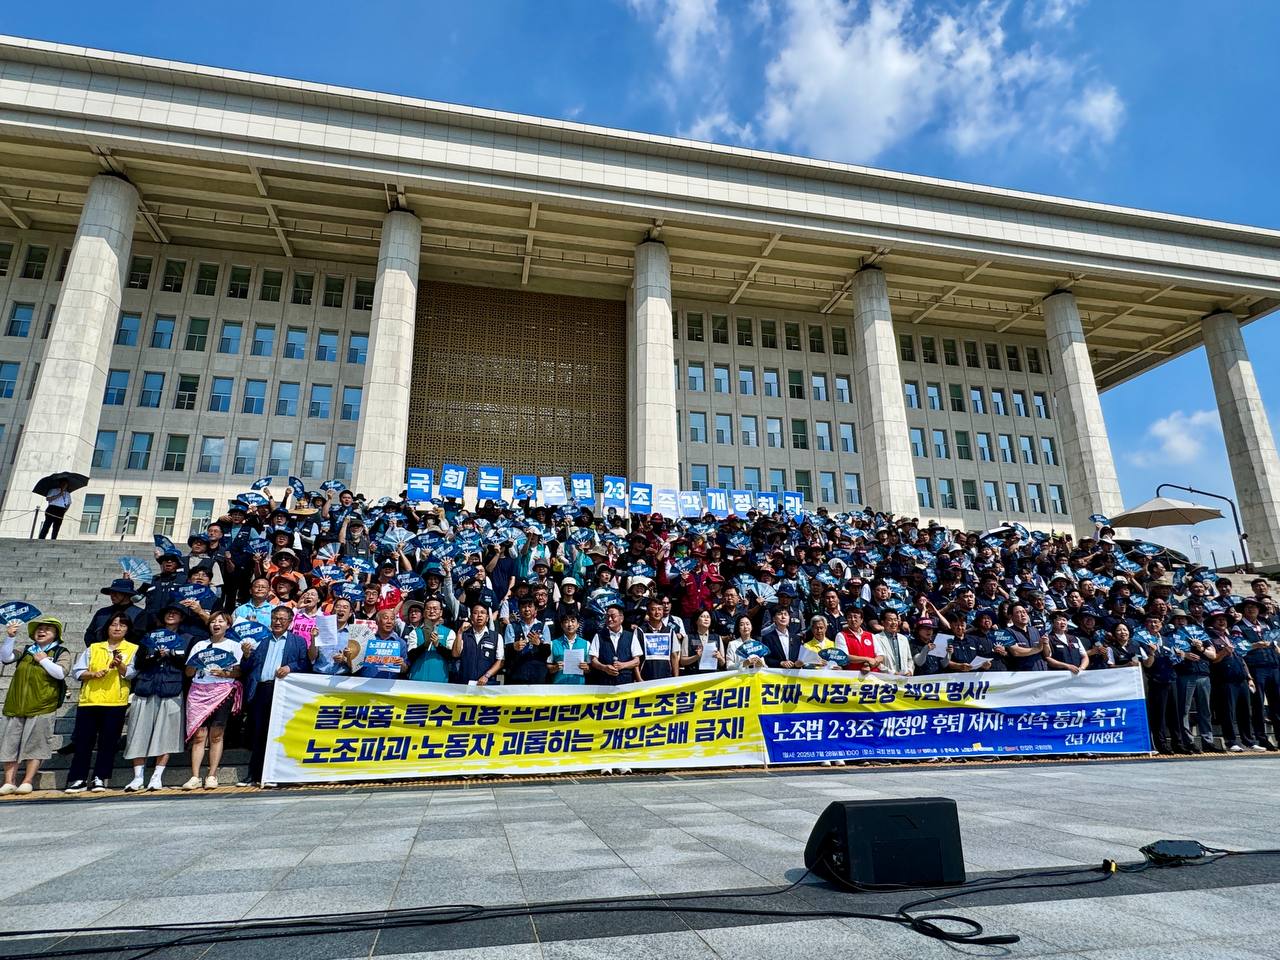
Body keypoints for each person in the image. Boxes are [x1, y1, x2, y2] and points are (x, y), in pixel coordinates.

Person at [239, 606, 317, 787]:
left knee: (277, 733)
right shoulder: (261, 640)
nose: (278, 622)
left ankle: (274, 774)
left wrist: (290, 668)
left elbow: (305, 664)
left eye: (282, 619)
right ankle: (254, 774)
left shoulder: (297, 642)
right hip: (261, 689)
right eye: (275, 618)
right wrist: (246, 655)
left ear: (290, 622)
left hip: (282, 690)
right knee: (258, 733)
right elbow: (247, 667)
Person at [66, 612, 139, 793]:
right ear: (107, 627)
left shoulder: (132, 648)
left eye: (122, 625)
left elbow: (131, 674)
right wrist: (92, 674)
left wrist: (120, 664)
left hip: (115, 701)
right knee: (84, 741)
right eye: (114, 624)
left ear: (127, 629)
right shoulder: (94, 647)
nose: (117, 628)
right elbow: (77, 672)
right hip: (90, 700)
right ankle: (78, 778)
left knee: (109, 742)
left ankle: (100, 777)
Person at [1, 616, 72, 794]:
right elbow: (6, 657)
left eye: (48, 629)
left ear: (56, 635)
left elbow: (61, 673)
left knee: (36, 744)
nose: (42, 631)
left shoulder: (60, 652)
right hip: (16, 705)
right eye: (39, 628)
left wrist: (44, 660)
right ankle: (9, 781)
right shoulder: (26, 650)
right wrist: (10, 637)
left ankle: (27, 780)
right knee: (10, 745)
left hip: (42, 706)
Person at [123, 604, 189, 791]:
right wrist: (154, 656)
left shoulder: (187, 638)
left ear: (181, 618)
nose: (171, 615)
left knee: (166, 734)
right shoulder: (148, 637)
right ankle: (137, 777)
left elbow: (188, 665)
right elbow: (140, 663)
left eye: (175, 613)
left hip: (171, 688)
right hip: (146, 686)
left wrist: (170, 655)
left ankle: (157, 776)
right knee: (138, 732)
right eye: (167, 612)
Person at [183, 610, 242, 788]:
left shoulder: (234, 646)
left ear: (228, 626)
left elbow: (239, 672)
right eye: (213, 622)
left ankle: (212, 775)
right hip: (198, 691)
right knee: (199, 735)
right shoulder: (200, 645)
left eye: (221, 622)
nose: (216, 624)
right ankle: (194, 776)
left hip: (222, 692)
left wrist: (223, 673)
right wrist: (195, 663)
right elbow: (188, 672)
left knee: (217, 734)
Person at [84, 578, 144, 647]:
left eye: (116, 592)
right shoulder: (102, 613)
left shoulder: (140, 615)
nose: (112, 595)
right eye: (111, 592)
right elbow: (89, 634)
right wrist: (96, 649)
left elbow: (142, 639)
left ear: (126, 594)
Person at [548, 610, 591, 685]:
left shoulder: (586, 644)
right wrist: (555, 667)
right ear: (561, 625)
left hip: (579, 686)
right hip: (559, 685)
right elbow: (549, 667)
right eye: (566, 621)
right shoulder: (553, 643)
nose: (570, 624)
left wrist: (587, 668)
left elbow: (590, 668)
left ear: (578, 624)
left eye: (572, 621)